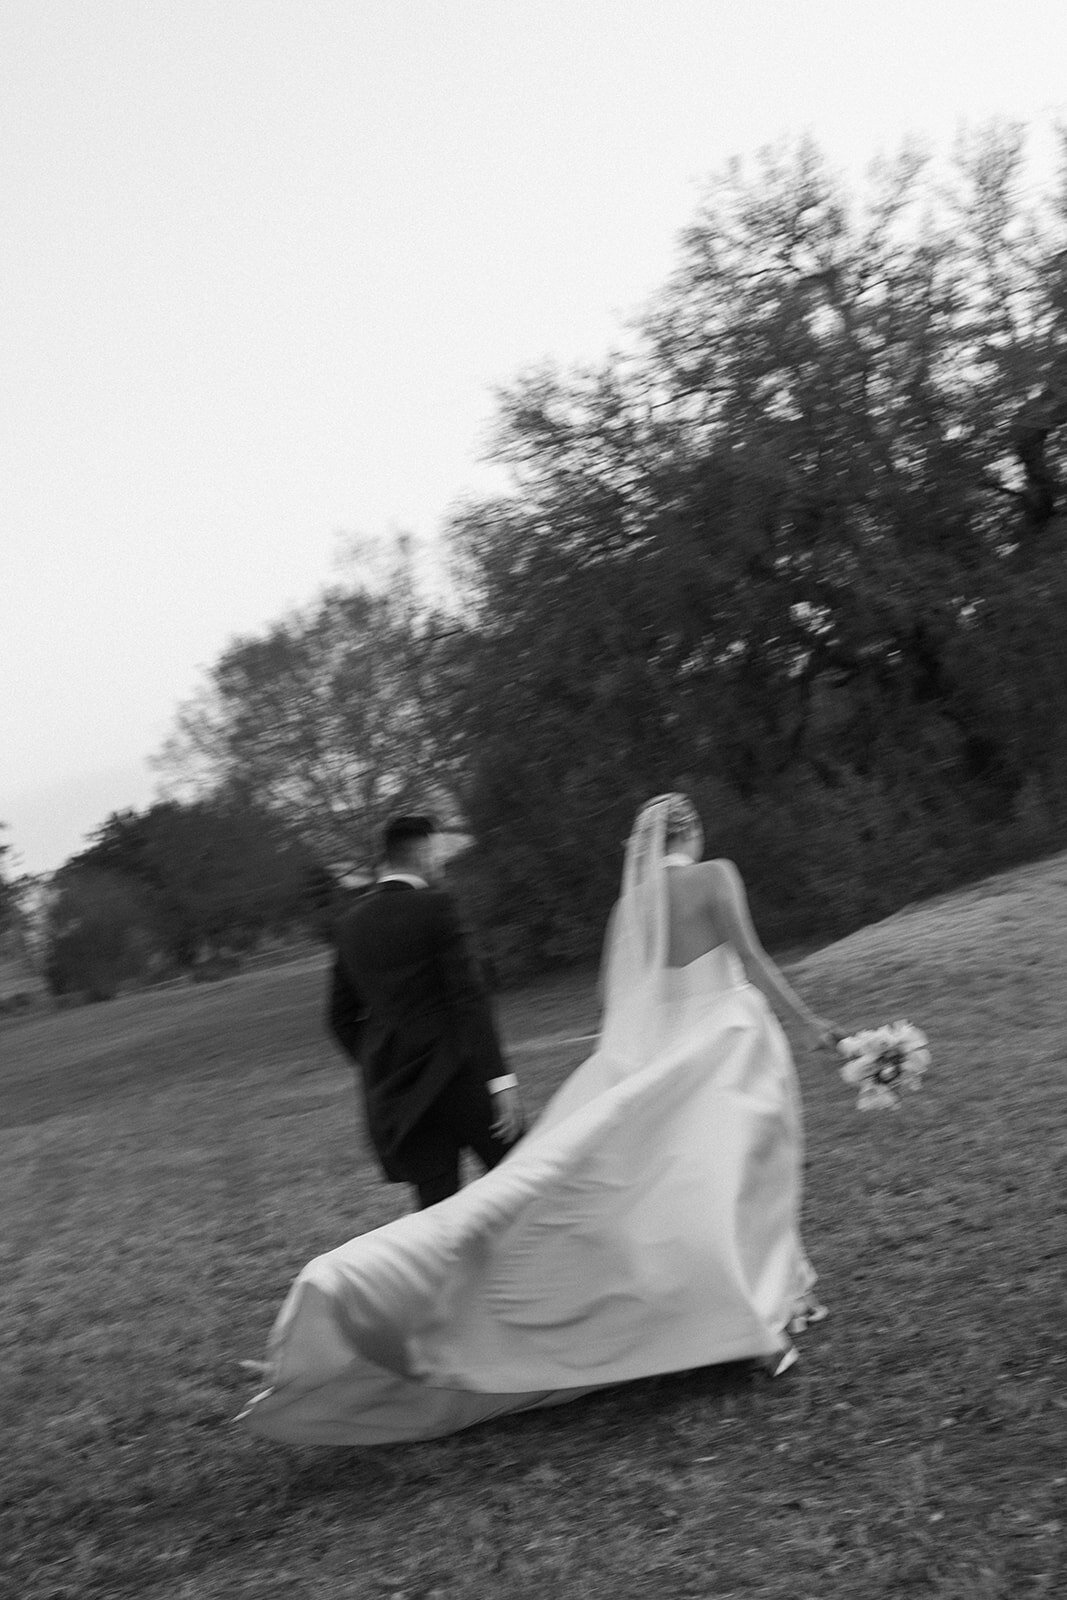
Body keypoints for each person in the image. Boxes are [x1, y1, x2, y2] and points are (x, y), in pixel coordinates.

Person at [240, 793, 843, 1446]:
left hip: (612, 1069)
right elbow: (749, 959)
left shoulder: (628, 907)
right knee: (718, 1184)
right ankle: (742, 1314)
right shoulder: (713, 876)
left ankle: (412, 1308)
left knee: (538, 1204)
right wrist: (812, 1025)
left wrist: (386, 1064)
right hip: (718, 1050)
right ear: (691, 832)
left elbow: (619, 1000)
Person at [327, 814, 524, 1210]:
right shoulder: (438, 907)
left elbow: (339, 1017)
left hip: (402, 1094)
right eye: (436, 853)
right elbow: (469, 998)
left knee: (437, 1215)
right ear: (420, 854)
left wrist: (376, 1059)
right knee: (522, 1183)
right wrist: (499, 1081)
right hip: (461, 1077)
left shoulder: (349, 925)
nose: (440, 863)